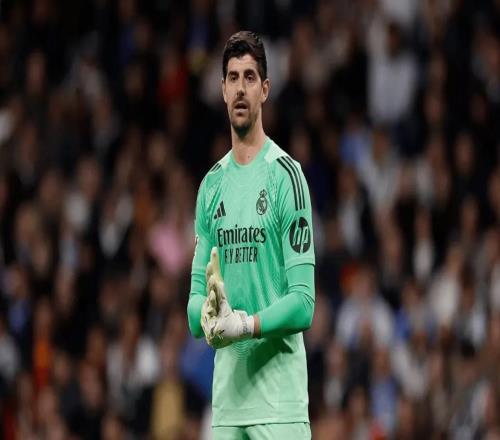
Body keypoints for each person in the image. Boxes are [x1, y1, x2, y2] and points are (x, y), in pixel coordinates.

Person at [186, 31, 316, 439]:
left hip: (279, 407)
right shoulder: (211, 187)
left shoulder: (286, 177)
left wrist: (245, 325)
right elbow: (193, 307)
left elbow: (304, 303)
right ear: (222, 90)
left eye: (249, 77)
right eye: (232, 78)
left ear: (265, 89)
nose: (240, 88)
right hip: (227, 409)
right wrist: (209, 317)